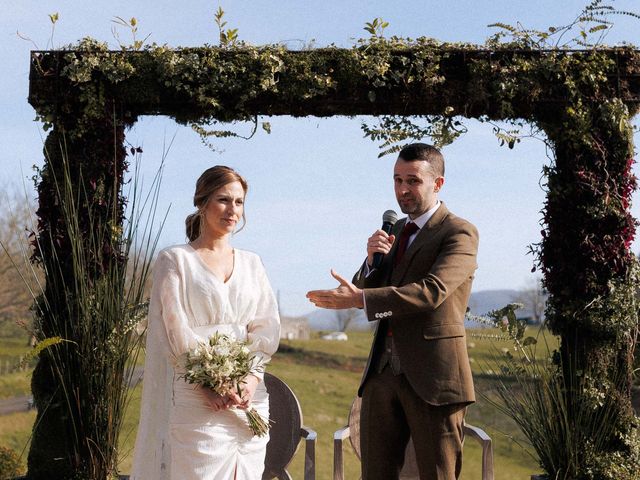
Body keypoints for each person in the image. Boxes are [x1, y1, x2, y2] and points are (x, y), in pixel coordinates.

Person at [306, 143, 478, 480]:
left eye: (412, 181)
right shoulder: (394, 230)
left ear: (437, 184)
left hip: (434, 377)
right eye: (397, 180)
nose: (402, 190)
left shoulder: (459, 232)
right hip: (381, 377)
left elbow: (432, 291)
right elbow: (364, 287)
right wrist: (372, 260)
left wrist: (360, 300)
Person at [130, 165, 281, 480]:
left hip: (249, 401)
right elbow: (174, 329)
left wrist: (250, 380)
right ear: (202, 202)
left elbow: (266, 327)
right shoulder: (174, 261)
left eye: (239, 202)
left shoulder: (253, 264)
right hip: (198, 398)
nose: (233, 210)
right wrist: (209, 385)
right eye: (224, 200)